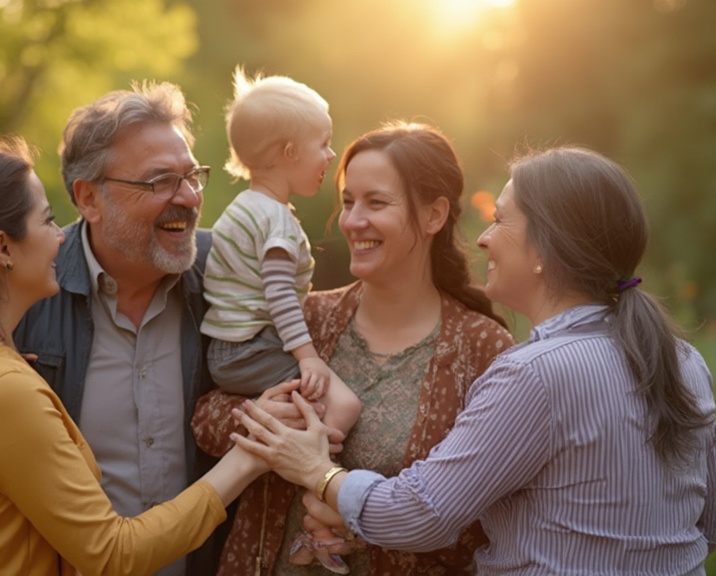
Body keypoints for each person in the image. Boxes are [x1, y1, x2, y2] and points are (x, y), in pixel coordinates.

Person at [232, 146, 716, 575]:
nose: (482, 238)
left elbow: (421, 514)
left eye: (499, 220)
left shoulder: (533, 374)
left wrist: (317, 471)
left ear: (545, 246)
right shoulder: (684, 359)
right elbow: (713, 525)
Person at [0, 138, 268, 575]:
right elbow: (113, 553)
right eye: (48, 221)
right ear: (3, 249)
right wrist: (247, 458)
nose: (61, 237)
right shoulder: (0, 389)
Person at [193, 122, 514, 575]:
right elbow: (204, 418)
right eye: (347, 202)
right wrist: (263, 419)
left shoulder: (482, 348)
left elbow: (478, 518)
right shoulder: (305, 321)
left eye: (375, 202)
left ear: (434, 215)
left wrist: (363, 524)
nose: (351, 220)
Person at [12, 81, 225, 575]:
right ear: (89, 198)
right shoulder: (25, 292)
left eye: (193, 176)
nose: (189, 197)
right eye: (160, 182)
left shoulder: (229, 274)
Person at [202, 67, 361, 443]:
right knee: (343, 405)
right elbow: (280, 296)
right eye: (323, 144)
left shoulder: (244, 207)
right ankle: (317, 482)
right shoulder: (276, 222)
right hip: (250, 350)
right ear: (289, 152)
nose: (332, 154)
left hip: (230, 350)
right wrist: (307, 356)